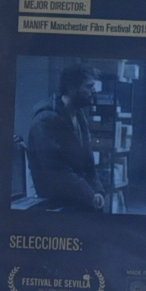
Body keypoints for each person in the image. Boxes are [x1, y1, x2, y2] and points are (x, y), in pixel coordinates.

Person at [27, 64, 106, 211]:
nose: (94, 91)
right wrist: (90, 195)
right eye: (89, 87)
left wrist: (98, 191)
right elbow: (57, 171)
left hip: (78, 197)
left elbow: (89, 163)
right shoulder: (45, 120)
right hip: (56, 203)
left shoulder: (79, 116)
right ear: (71, 88)